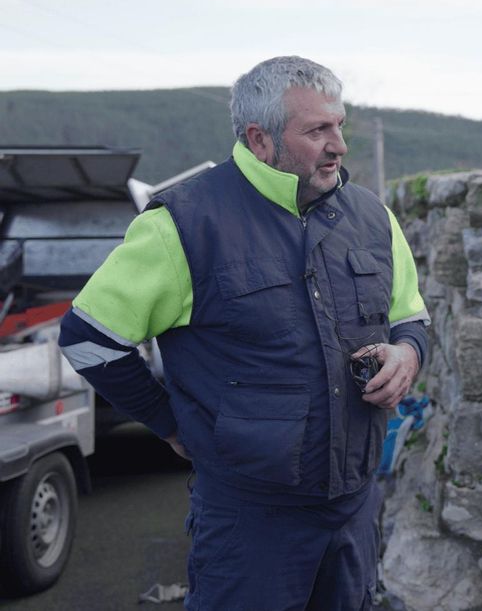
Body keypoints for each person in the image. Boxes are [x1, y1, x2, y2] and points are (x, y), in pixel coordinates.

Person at [58, 56, 429, 610]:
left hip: (354, 510)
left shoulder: (372, 217)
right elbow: (87, 337)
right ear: (260, 139)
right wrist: (166, 421)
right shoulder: (183, 224)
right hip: (250, 522)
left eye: (340, 125)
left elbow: (411, 316)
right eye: (317, 130)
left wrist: (408, 352)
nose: (339, 145)